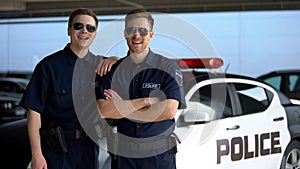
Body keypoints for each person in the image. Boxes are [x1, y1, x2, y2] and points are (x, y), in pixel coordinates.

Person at [20, 8, 117, 169]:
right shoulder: (48, 66)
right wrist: (36, 154)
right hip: (55, 151)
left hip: (88, 149)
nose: (84, 31)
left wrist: (115, 60)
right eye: (79, 26)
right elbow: (34, 112)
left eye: (90, 28)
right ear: (69, 30)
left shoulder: (101, 66)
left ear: (94, 34)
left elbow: (129, 67)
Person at [95, 8, 186, 169]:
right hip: (123, 157)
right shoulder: (113, 70)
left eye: (143, 31)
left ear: (151, 35)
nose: (137, 35)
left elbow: (168, 110)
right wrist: (145, 101)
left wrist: (122, 106)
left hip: (158, 156)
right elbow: (104, 110)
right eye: (132, 30)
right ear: (125, 33)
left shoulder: (167, 68)